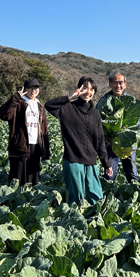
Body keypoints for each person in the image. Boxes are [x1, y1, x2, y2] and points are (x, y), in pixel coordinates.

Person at [45, 77, 113, 205]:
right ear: (79, 89)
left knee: (96, 196)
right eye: (85, 88)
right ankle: (74, 222)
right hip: (73, 159)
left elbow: (99, 141)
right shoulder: (67, 109)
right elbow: (48, 105)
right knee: (76, 197)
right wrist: (69, 97)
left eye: (92, 89)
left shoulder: (95, 113)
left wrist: (106, 163)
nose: (88, 92)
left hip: (91, 160)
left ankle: (95, 221)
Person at [0, 78, 50, 186]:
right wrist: (16, 98)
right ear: (25, 89)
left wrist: (45, 150)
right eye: (30, 88)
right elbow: (3, 114)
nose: (33, 91)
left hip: (35, 147)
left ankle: (30, 201)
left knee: (32, 180)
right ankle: (13, 201)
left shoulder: (40, 106)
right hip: (20, 146)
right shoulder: (18, 103)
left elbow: (44, 129)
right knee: (17, 179)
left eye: (36, 88)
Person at [96, 71, 140, 183]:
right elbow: (97, 120)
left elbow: (138, 120)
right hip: (110, 143)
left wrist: (125, 128)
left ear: (125, 84)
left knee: (132, 174)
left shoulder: (131, 101)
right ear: (110, 84)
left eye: (121, 82)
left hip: (128, 142)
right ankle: (105, 197)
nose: (118, 85)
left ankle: (134, 196)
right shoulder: (104, 101)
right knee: (109, 175)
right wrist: (111, 129)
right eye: (115, 82)